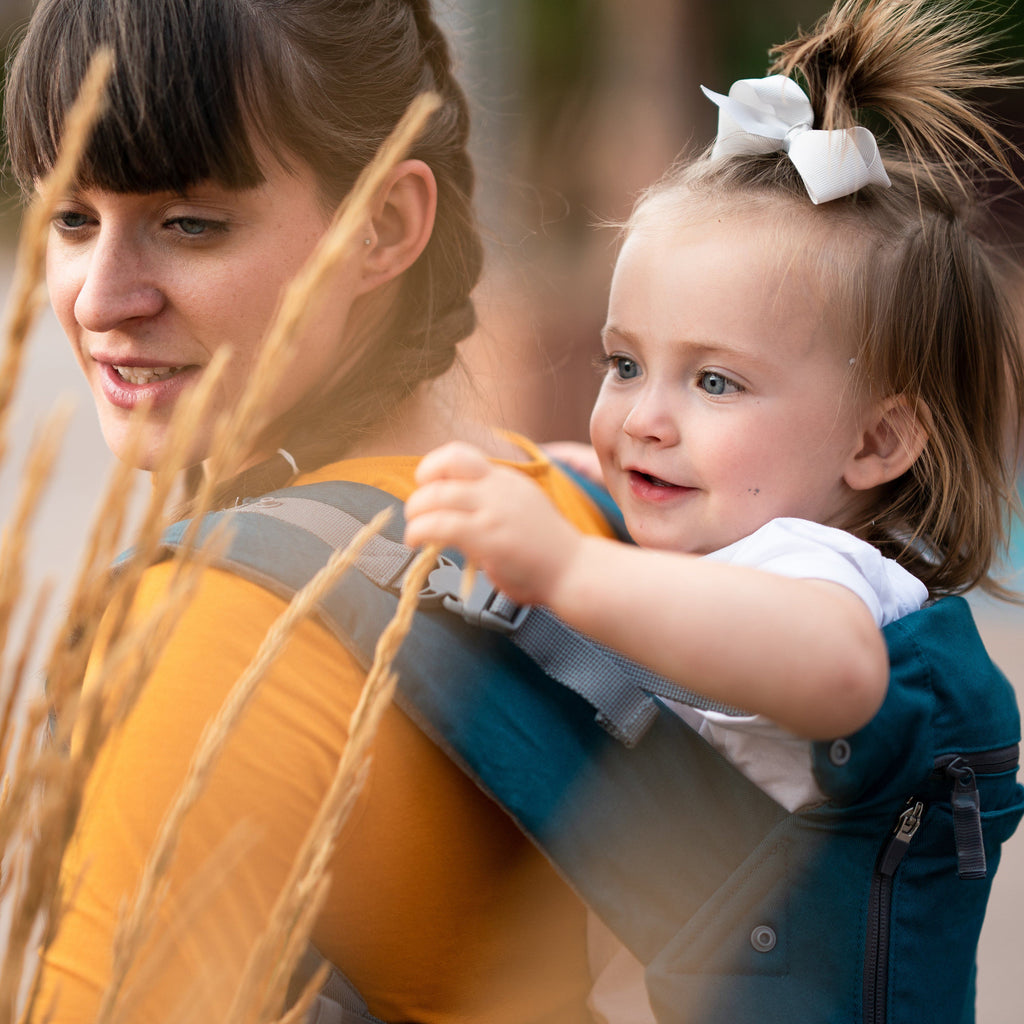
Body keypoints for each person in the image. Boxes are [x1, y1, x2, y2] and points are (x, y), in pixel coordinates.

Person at [403, 0, 1024, 1019]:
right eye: (625, 362)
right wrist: (539, 472)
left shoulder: (822, 573)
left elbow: (835, 668)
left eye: (716, 384)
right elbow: (600, 473)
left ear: (876, 442)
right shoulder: (745, 515)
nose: (643, 418)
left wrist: (565, 569)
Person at [5, 1, 615, 1021]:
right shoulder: (551, 506)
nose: (101, 298)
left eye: (188, 222)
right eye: (73, 216)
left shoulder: (209, 639)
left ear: (385, 225)